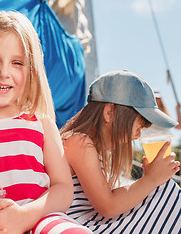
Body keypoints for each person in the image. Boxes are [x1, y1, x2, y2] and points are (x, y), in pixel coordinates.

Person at [0, 11, 92, 234]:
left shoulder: (41, 122)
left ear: (32, 70)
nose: (4, 72)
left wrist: (24, 217)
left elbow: (64, 189)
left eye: (17, 63)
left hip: (38, 220)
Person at [60, 70, 181, 233]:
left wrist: (151, 179)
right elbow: (108, 206)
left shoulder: (91, 148)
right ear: (109, 113)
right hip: (82, 227)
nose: (137, 136)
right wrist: (151, 179)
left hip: (92, 223)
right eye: (138, 127)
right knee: (166, 191)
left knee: (163, 188)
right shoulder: (79, 143)